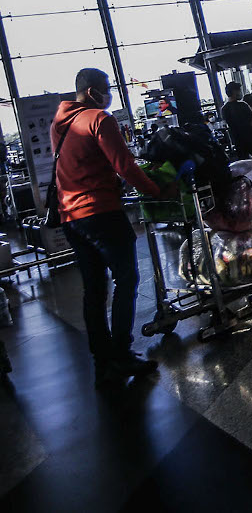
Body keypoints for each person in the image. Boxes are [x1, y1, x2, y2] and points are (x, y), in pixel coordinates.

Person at [52, 68, 167, 386]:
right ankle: (122, 353)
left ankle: (102, 358)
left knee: (94, 289)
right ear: (91, 92)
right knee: (126, 279)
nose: (109, 93)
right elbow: (124, 164)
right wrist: (156, 190)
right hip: (101, 213)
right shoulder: (100, 119)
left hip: (71, 218)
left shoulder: (60, 123)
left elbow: (84, 165)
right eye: (106, 88)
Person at [222, 81, 252, 160]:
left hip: (237, 140)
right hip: (251, 138)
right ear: (234, 91)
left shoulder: (224, 109)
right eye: (239, 90)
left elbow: (227, 124)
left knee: (244, 163)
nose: (240, 93)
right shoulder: (243, 105)